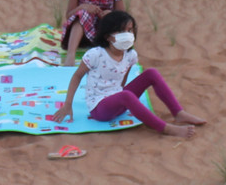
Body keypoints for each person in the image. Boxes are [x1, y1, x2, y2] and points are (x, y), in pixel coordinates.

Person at [52, 11, 205, 138]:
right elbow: (77, 76)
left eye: (130, 30)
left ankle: (178, 113)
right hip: (100, 108)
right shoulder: (95, 54)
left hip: (119, 100)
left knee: (151, 73)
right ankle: (165, 128)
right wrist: (68, 105)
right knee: (126, 96)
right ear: (107, 36)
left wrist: (123, 97)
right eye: (120, 31)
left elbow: (121, 83)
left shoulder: (130, 55)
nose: (127, 34)